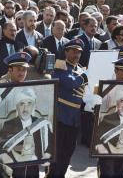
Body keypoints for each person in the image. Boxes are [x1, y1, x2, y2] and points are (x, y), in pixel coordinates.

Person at [46, 39, 98, 178]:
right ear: (66, 52)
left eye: (79, 52)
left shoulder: (80, 69)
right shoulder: (60, 67)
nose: (76, 55)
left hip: (75, 117)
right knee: (56, 153)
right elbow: (69, 82)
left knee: (68, 151)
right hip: (61, 116)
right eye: (73, 51)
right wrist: (85, 77)